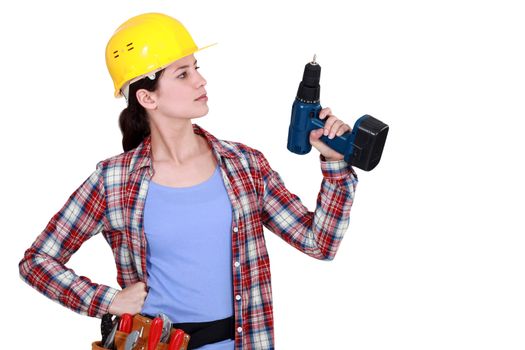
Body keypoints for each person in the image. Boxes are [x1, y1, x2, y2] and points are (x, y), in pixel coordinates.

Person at [18, 12, 359, 350]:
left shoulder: (244, 165)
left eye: (197, 68)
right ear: (147, 97)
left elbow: (319, 243)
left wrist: (333, 161)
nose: (201, 81)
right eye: (183, 74)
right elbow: (37, 262)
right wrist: (108, 300)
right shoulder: (114, 181)